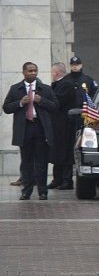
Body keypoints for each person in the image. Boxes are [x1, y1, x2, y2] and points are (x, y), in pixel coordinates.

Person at [3, 62, 58, 200]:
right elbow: (6, 107)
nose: (33, 73)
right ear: (24, 72)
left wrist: (42, 101)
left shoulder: (45, 89)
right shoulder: (16, 89)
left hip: (40, 128)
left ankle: (42, 191)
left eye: (35, 70)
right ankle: (26, 191)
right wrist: (20, 103)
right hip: (25, 128)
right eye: (30, 71)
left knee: (41, 161)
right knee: (26, 162)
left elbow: (55, 106)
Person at [48, 62, 76, 190]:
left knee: (65, 153)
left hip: (65, 125)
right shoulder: (57, 84)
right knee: (56, 152)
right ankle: (57, 179)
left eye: (52, 72)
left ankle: (66, 180)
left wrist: (42, 100)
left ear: (56, 72)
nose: (51, 74)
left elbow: (57, 102)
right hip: (56, 125)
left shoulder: (67, 84)